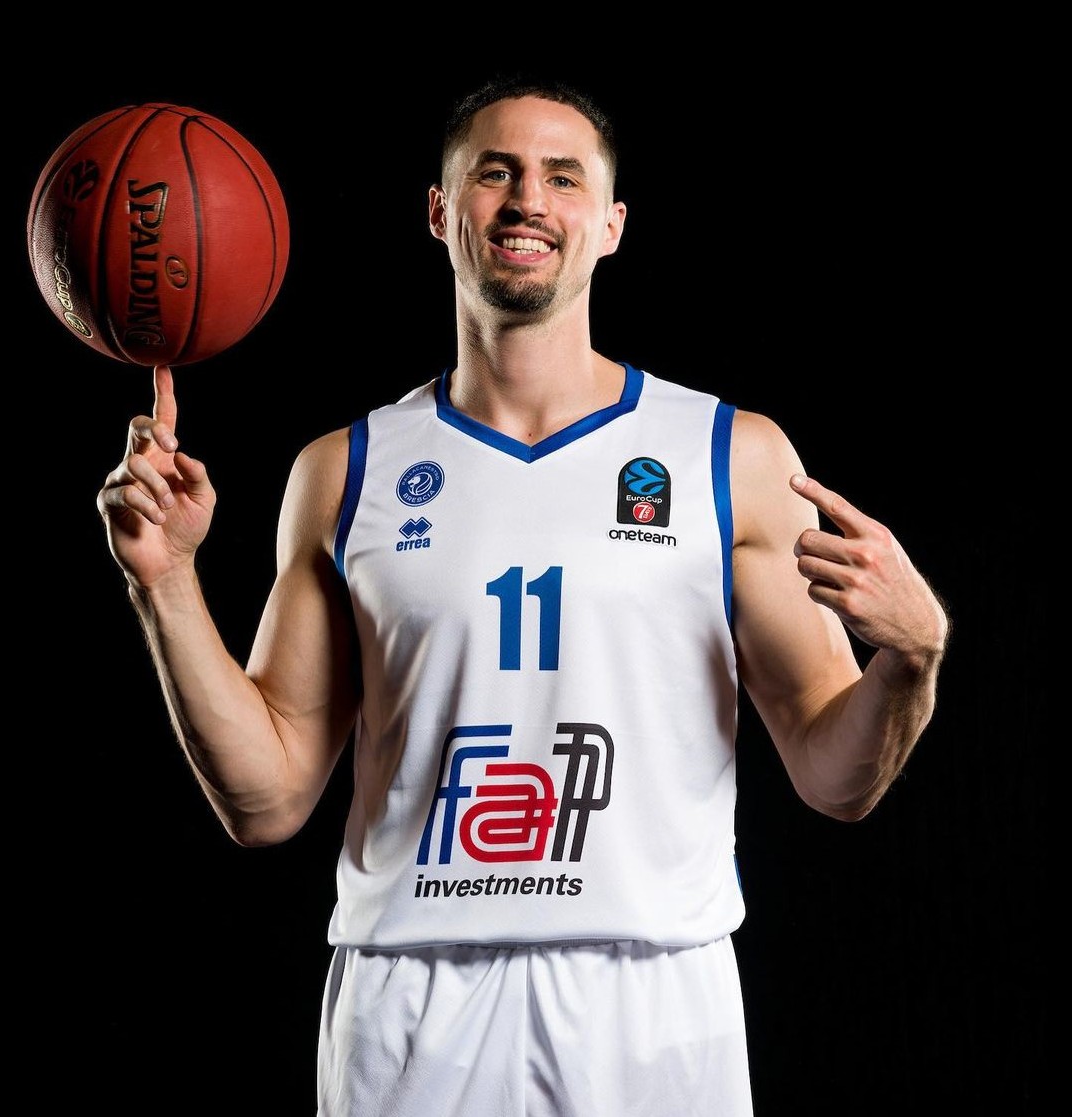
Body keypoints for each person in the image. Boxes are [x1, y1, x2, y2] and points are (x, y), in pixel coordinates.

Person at [97, 74, 950, 1116]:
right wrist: (167, 584)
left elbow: (833, 775)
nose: (527, 201)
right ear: (438, 210)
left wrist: (911, 660)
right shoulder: (346, 471)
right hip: (413, 1001)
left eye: (563, 177)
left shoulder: (729, 456)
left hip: (653, 996)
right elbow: (266, 798)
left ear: (611, 224)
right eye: (493, 173)